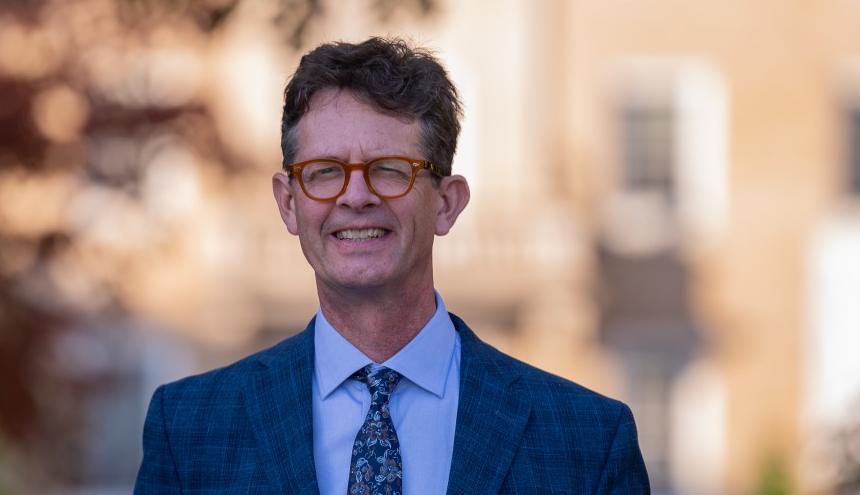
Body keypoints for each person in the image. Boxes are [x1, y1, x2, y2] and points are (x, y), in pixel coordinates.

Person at [135, 36, 650, 494]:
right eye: (323, 172)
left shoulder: (588, 440)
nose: (355, 196)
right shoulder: (189, 430)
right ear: (289, 203)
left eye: (389, 170)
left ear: (447, 203)